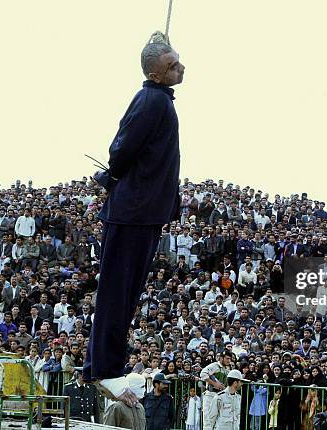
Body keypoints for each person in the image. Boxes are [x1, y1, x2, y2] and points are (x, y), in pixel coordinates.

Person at [82, 32, 184, 404]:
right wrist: (113, 173)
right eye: (172, 65)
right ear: (156, 74)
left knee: (125, 294)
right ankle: (104, 369)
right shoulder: (151, 101)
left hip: (143, 212)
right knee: (116, 293)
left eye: (177, 60)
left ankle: (105, 365)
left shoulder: (159, 98)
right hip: (133, 211)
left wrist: (159, 44)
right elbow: (121, 148)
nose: (181, 67)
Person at [200, 351, 232, 430]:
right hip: (210, 395)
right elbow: (203, 374)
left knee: (219, 421)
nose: (229, 361)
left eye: (230, 359)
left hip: (220, 396)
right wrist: (214, 384)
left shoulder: (227, 369)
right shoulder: (214, 366)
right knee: (208, 421)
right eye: (227, 358)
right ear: (221, 358)